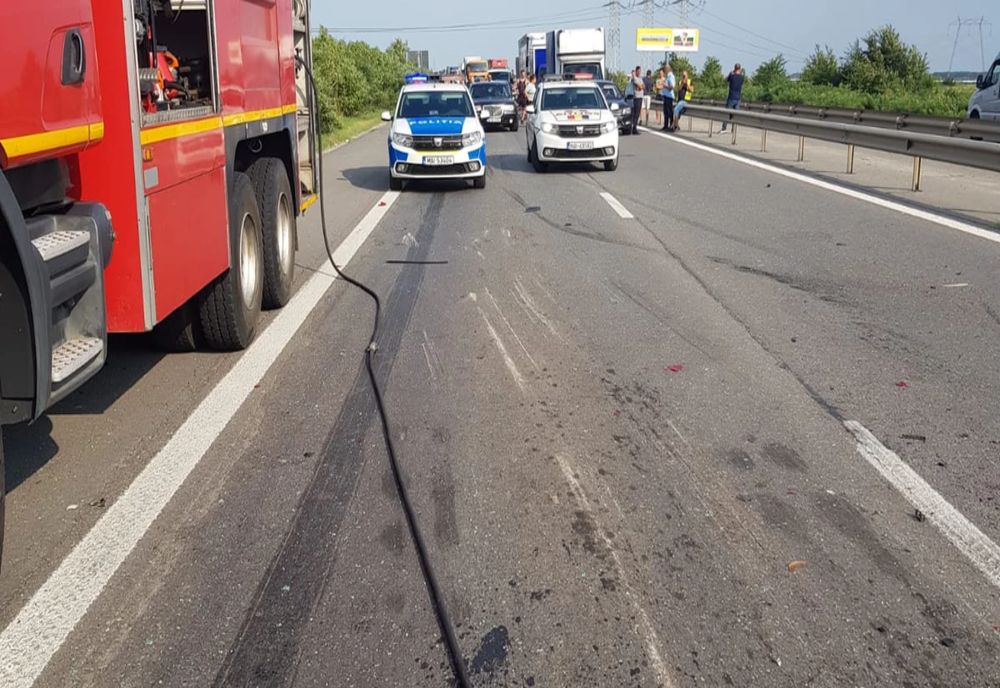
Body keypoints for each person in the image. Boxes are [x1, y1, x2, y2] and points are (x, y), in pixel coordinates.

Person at [720, 63, 744, 133]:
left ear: (734, 68)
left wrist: (731, 73)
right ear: (740, 68)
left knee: (726, 114)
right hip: (738, 98)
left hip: (731, 97)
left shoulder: (732, 76)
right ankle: (734, 129)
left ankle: (724, 128)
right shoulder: (742, 77)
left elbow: (726, 79)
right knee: (735, 115)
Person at [623, 66, 644, 135]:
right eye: (638, 71)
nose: (639, 72)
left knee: (637, 114)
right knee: (634, 114)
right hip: (636, 98)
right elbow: (640, 87)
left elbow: (643, 86)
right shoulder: (634, 79)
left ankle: (634, 127)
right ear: (636, 71)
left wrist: (640, 86)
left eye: (640, 71)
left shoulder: (640, 78)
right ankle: (633, 128)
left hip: (640, 97)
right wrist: (639, 86)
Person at [660, 65, 675, 131]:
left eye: (664, 70)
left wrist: (664, 85)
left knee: (669, 112)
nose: (664, 71)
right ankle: (665, 126)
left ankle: (671, 126)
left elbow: (671, 87)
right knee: (665, 112)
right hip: (666, 96)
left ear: (667, 70)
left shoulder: (671, 76)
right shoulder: (668, 77)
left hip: (669, 96)